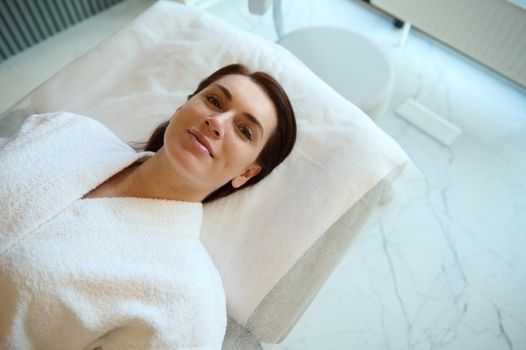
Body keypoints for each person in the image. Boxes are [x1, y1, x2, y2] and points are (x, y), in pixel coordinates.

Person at [0, 63, 296, 349]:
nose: (217, 122)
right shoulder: (67, 130)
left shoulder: (189, 297)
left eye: (244, 131)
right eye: (215, 101)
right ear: (181, 108)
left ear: (246, 173)